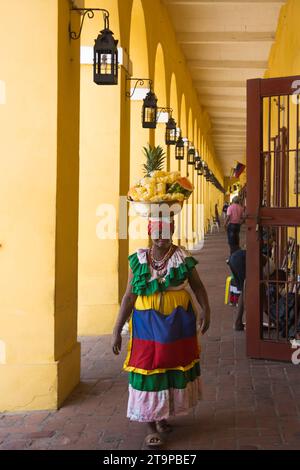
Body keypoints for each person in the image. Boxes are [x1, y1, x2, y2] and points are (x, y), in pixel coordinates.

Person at [111, 217, 211, 448]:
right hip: (146, 323)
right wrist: (117, 328)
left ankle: (162, 415)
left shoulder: (182, 258)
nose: (161, 236)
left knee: (169, 365)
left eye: (165, 231)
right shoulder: (139, 259)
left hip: (178, 322)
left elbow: (198, 286)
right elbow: (129, 296)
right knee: (148, 366)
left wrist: (207, 310)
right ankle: (149, 425)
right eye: (156, 231)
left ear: (173, 232)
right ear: (149, 232)